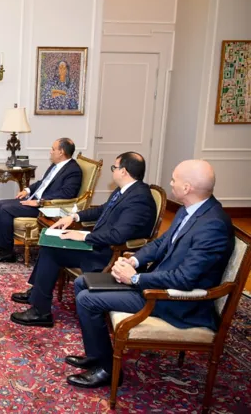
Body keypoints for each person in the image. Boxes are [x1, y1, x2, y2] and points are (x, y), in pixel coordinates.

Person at [66, 160, 235, 389]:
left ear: (187, 188)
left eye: (174, 179)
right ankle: (97, 356)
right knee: (82, 282)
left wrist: (135, 278)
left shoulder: (212, 226)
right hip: (156, 283)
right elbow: (160, 244)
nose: (170, 183)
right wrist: (133, 261)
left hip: (175, 300)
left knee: (88, 300)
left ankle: (107, 370)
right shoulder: (190, 209)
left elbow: (185, 279)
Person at [10, 152, 157, 327]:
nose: (113, 171)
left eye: (114, 167)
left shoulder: (139, 199)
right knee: (49, 241)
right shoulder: (125, 190)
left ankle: (40, 312)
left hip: (109, 254)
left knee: (51, 251)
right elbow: (102, 210)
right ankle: (36, 294)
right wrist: (74, 217)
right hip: (99, 244)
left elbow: (118, 236)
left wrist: (84, 236)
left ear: (124, 171)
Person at [0, 138, 83, 263]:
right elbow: (42, 183)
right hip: (35, 200)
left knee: (5, 209)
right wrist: (27, 190)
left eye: (53, 149)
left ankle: (7, 253)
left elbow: (66, 194)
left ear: (61, 152)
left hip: (45, 207)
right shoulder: (55, 165)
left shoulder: (73, 170)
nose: (50, 152)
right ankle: (0, 247)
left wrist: (39, 202)